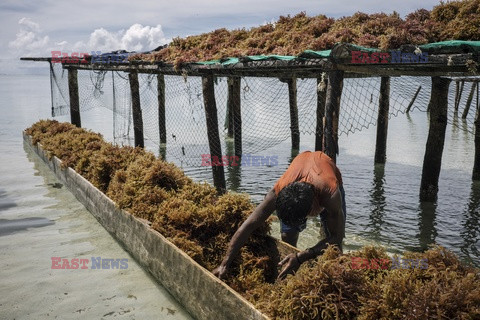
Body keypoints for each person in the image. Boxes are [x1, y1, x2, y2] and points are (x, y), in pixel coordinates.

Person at [212, 151, 346, 280]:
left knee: (334, 248)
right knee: (287, 234)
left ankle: (336, 275)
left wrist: (301, 257)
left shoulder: (331, 195)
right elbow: (248, 226)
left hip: (326, 172)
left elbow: (336, 237)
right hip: (302, 169)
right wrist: (224, 264)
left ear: (311, 210)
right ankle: (289, 267)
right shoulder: (277, 192)